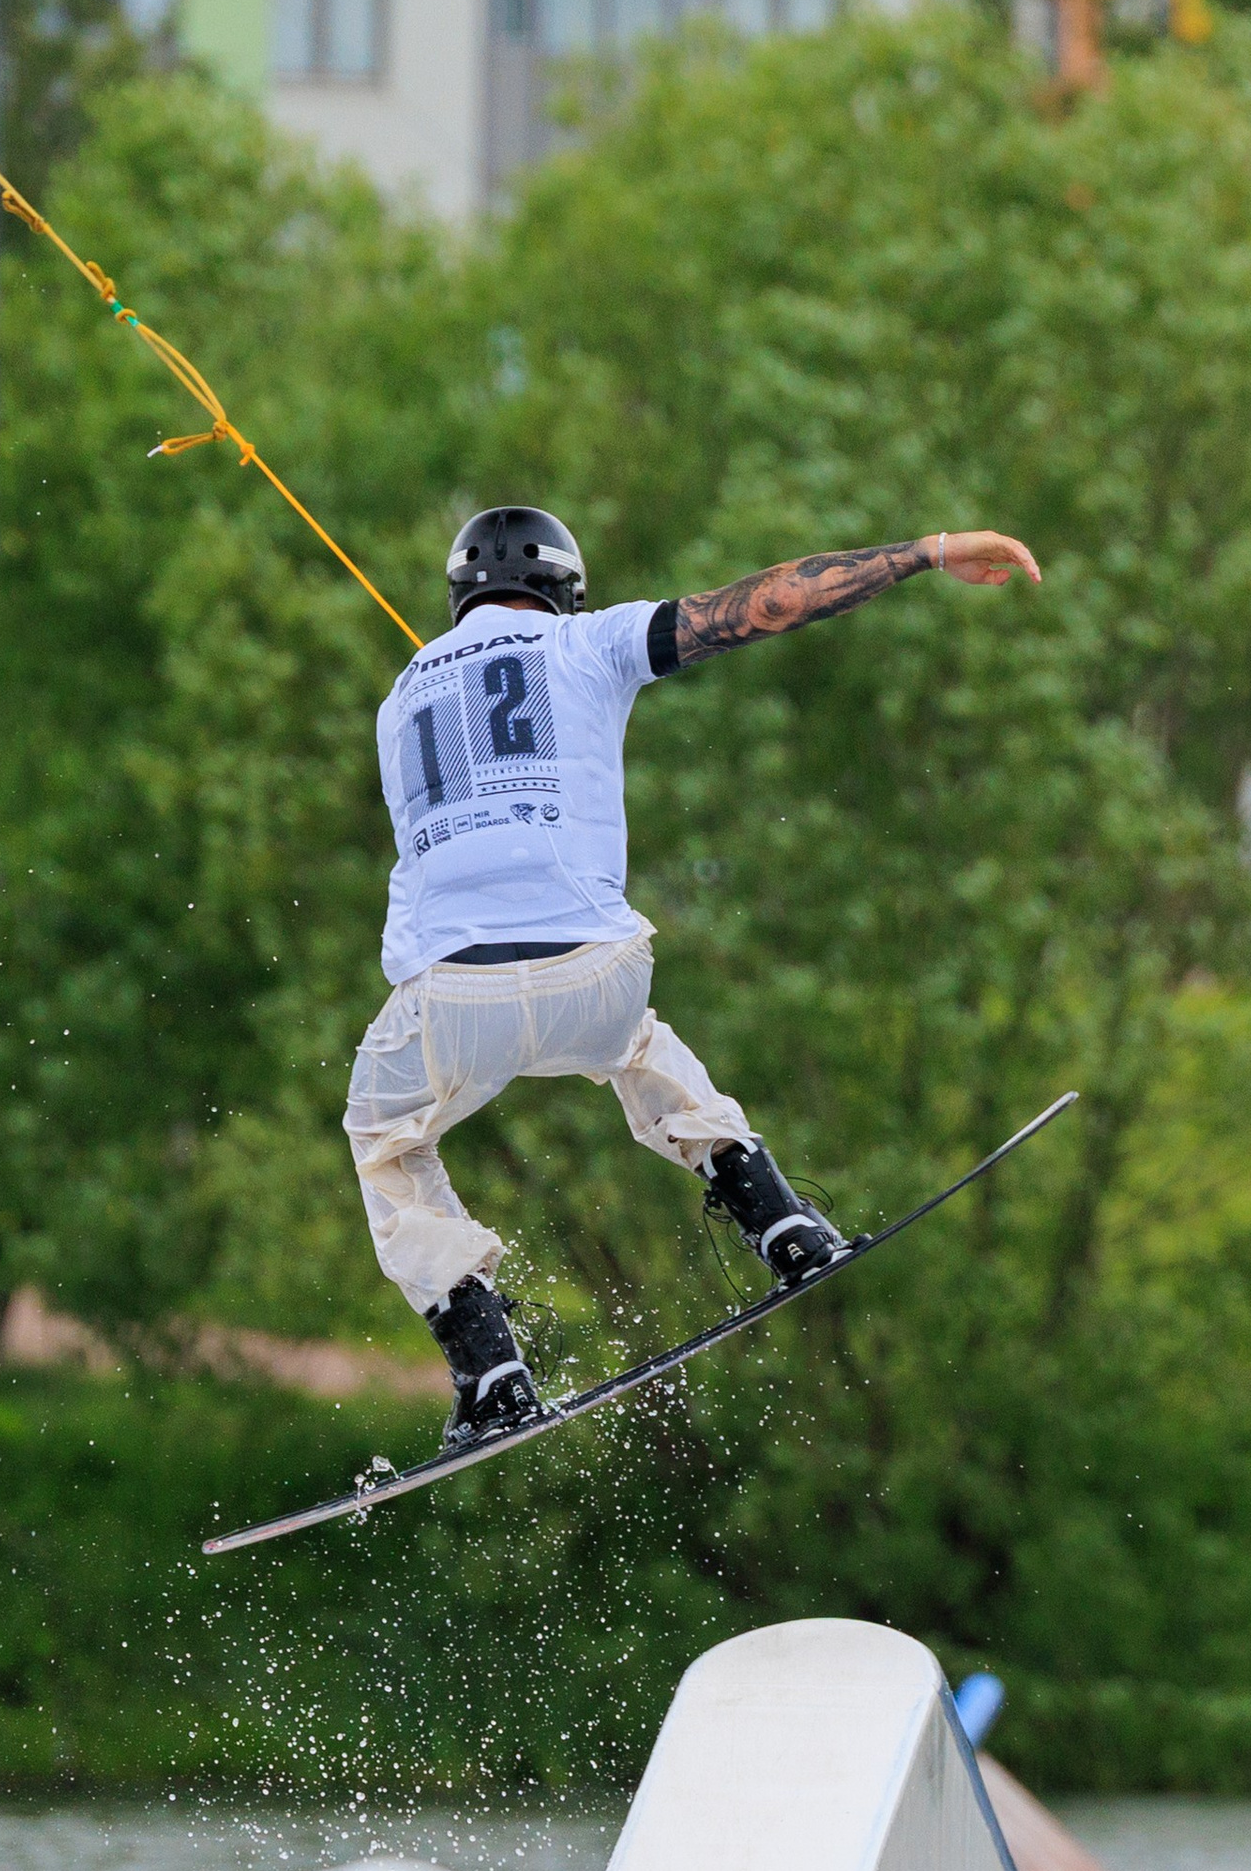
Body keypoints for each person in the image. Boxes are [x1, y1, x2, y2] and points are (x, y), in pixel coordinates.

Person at [345, 503, 1044, 1443]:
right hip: (598, 976)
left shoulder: (399, 699)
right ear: (565, 588)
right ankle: (781, 1224)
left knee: (386, 1139)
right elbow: (763, 604)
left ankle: (489, 1363)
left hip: (449, 1002)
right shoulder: (592, 642)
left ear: (459, 594)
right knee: (636, 1044)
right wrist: (924, 554)